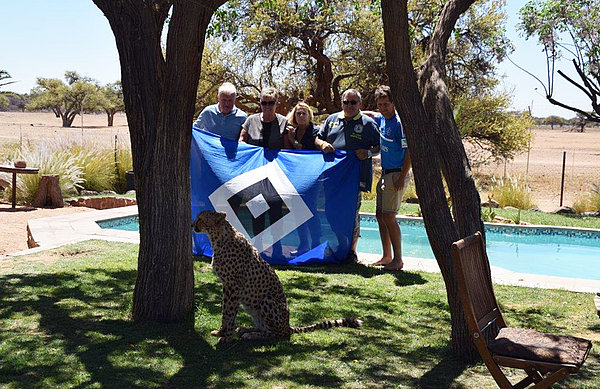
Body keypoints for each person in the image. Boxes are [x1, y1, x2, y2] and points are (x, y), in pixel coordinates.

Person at [315, 89, 380, 263]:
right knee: (330, 211)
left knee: (352, 212)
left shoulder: (368, 124)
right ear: (341, 103)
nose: (349, 106)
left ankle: (351, 251)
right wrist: (323, 144)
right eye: (346, 102)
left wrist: (367, 153)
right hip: (332, 177)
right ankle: (335, 246)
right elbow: (317, 138)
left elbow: (378, 147)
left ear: (360, 104)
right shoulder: (332, 120)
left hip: (355, 176)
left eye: (353, 102)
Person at [239, 87, 291, 258]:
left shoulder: (283, 122)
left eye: (271, 103)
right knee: (257, 212)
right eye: (264, 103)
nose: (267, 106)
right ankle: (258, 249)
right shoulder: (250, 121)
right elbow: (241, 143)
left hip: (275, 176)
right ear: (259, 103)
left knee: (276, 213)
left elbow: (288, 149)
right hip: (255, 176)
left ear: (277, 104)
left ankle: (277, 249)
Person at [368, 85, 412, 271]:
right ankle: (386, 256)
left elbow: (409, 151)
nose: (383, 107)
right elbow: (370, 114)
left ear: (393, 103)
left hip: (396, 174)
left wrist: (402, 176)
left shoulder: (399, 123)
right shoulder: (382, 119)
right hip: (385, 174)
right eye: (380, 104)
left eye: (386, 104)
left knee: (389, 217)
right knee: (380, 215)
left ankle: (398, 259)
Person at [286, 102, 322, 254]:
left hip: (312, 177)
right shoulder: (291, 130)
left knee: (310, 210)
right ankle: (303, 245)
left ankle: (316, 244)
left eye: (303, 113)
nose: (301, 116)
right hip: (295, 177)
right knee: (297, 211)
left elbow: (304, 150)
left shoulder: (315, 131)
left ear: (309, 115)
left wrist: (293, 140)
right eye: (298, 113)